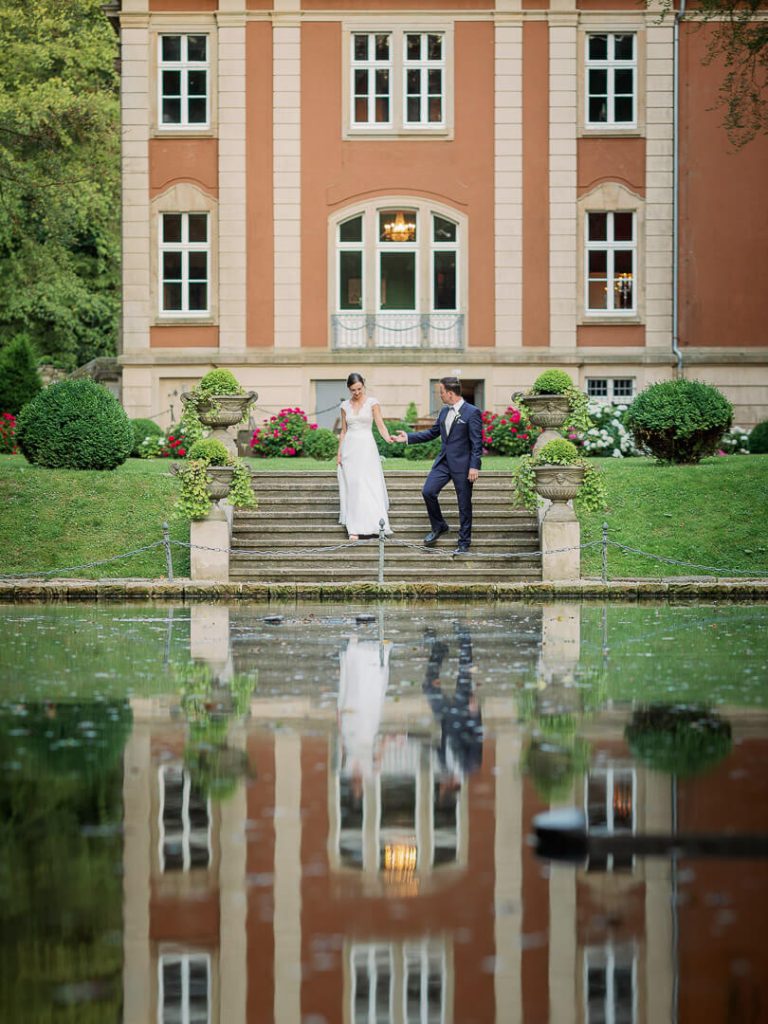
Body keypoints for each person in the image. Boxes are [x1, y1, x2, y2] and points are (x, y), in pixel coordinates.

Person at [393, 376, 482, 554]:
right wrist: (408, 437)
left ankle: (464, 542)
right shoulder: (443, 412)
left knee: (464, 504)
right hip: (443, 462)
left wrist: (474, 466)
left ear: (450, 393)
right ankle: (439, 525)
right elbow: (433, 433)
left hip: (463, 465)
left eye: (441, 392)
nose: (439, 395)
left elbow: (477, 442)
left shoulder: (472, 412)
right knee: (428, 491)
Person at [422, 625, 483, 792]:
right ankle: (464, 638)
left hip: (444, 718)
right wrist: (475, 713)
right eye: (444, 784)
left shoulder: (444, 765)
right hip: (463, 716)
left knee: (428, 687)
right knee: (464, 675)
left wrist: (405, 738)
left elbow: (433, 746)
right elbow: (477, 738)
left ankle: (438, 651)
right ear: (453, 785)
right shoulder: (471, 765)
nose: (442, 781)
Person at [337, 372, 397, 541]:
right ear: (349, 389)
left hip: (366, 448)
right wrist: (339, 453)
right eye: (353, 390)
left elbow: (380, 425)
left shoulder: (372, 403)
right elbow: (343, 431)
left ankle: (376, 526)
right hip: (349, 448)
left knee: (369, 484)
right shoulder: (344, 406)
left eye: (359, 388)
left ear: (363, 385)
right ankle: (354, 527)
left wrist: (388, 438)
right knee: (354, 485)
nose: (356, 392)